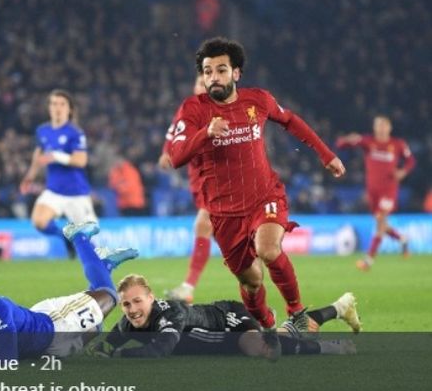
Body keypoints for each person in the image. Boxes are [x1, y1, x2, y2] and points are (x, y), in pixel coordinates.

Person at [167, 37, 346, 330]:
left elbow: (290, 120)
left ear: (236, 73)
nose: (214, 77)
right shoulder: (193, 110)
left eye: (221, 70)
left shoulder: (258, 100)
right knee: (251, 282)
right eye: (208, 71)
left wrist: (325, 154)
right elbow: (175, 157)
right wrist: (205, 134)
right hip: (224, 213)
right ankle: (266, 321)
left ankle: (297, 312)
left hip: (265, 196)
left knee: (268, 249)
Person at [0, 222, 139, 359]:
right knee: (97, 327)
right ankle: (104, 265)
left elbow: (7, 357)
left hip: (56, 322)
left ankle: (78, 236)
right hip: (44, 350)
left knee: (109, 295)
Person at [88, 274, 360, 359]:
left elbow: (162, 348)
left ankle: (329, 348)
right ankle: (339, 308)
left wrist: (119, 355)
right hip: (221, 337)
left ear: (151, 297)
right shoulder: (131, 319)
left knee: (257, 348)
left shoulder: (170, 314)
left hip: (228, 318)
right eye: (126, 304)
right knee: (283, 334)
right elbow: (110, 342)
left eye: (137, 301)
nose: (132, 309)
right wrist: (98, 348)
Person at [19, 89, 97, 258]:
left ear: (69, 109)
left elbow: (81, 160)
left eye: (62, 104)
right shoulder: (42, 131)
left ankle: (102, 274)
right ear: (49, 107)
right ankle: (67, 237)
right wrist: (30, 176)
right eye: (54, 104)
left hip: (76, 193)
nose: (57, 108)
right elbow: (38, 155)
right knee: (39, 221)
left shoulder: (75, 133)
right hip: (54, 190)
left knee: (89, 245)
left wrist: (57, 156)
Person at [336, 116, 416, 271]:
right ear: (374, 128)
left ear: (390, 127)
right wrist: (347, 139)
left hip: (389, 189)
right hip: (372, 190)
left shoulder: (398, 144)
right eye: (378, 125)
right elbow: (341, 144)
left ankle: (368, 260)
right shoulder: (368, 142)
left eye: (384, 125)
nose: (381, 128)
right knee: (382, 222)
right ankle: (402, 239)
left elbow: (411, 160)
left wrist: (403, 172)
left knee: (380, 220)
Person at [159, 75, 213, 303]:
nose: (202, 88)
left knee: (202, 225)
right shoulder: (187, 108)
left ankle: (187, 287)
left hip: (218, 178)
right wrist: (166, 151)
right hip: (197, 179)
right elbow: (174, 132)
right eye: (199, 83)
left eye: (206, 84)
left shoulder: (222, 110)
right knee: (238, 247)